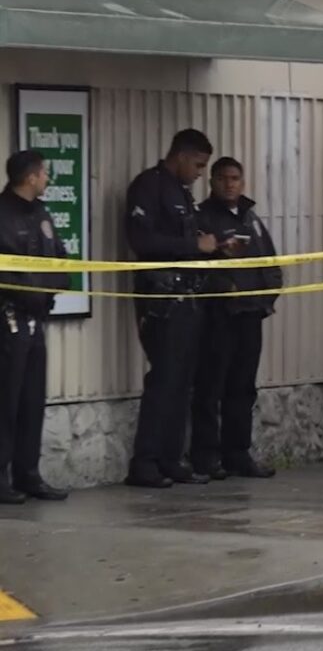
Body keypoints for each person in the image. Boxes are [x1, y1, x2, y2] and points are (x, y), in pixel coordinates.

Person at [126, 129, 239, 489]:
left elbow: (193, 245)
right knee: (163, 379)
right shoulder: (148, 186)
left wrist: (216, 247)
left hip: (190, 297)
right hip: (161, 299)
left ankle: (170, 458)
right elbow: (142, 240)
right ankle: (144, 463)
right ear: (181, 156)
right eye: (199, 165)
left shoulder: (183, 193)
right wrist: (194, 245)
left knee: (183, 382)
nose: (200, 174)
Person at [190, 158, 283, 480]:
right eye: (223, 178)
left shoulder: (250, 219)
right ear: (212, 182)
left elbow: (271, 261)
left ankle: (238, 453)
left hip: (250, 315)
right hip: (218, 317)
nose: (230, 184)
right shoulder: (202, 218)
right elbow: (197, 265)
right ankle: (206, 455)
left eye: (236, 178)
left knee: (243, 388)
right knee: (210, 387)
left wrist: (268, 296)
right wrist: (223, 290)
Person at [0, 151, 71, 503]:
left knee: (32, 400)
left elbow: (59, 256)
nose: (47, 179)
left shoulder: (42, 213)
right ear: (30, 177)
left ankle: (29, 474)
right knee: (6, 400)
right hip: (8, 319)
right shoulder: (2, 214)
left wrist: (58, 281)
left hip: (37, 318)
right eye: (44, 173)